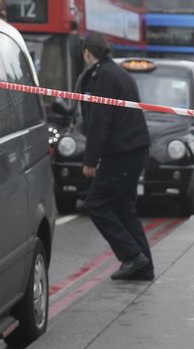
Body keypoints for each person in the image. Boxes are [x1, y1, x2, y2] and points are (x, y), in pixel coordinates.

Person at [79, 32, 153, 281]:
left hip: (121, 152)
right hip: (134, 149)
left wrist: (90, 160)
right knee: (124, 207)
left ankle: (132, 256)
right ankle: (144, 267)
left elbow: (100, 121)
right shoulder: (119, 73)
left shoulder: (103, 77)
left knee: (96, 204)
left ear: (88, 54)